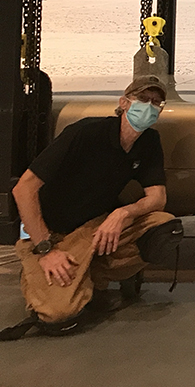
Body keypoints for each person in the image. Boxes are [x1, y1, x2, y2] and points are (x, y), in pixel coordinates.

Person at [3, 77, 184, 339]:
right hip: (51, 234)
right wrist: (45, 248)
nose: (149, 106)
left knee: (163, 226)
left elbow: (157, 198)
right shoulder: (85, 133)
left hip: (94, 228)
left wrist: (122, 213)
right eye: (143, 99)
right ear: (124, 103)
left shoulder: (148, 142)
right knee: (57, 315)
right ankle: (50, 274)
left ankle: (88, 275)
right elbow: (24, 189)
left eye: (156, 102)